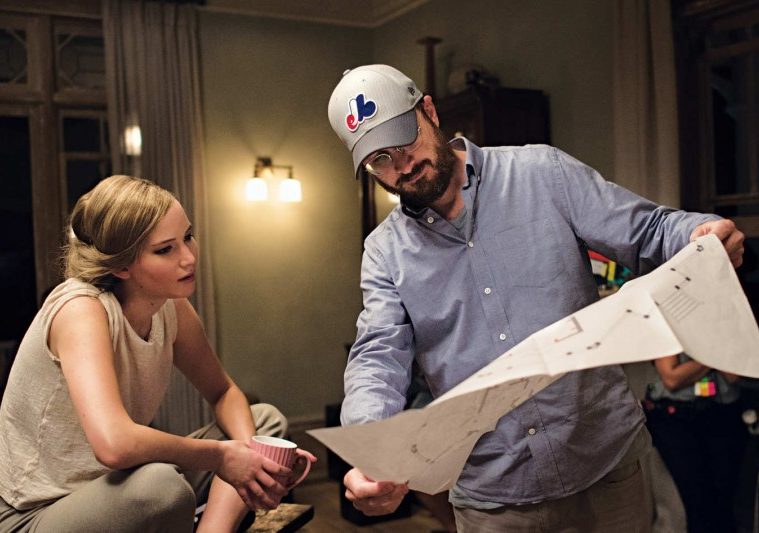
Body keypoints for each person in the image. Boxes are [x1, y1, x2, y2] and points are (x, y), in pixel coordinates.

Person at [326, 64, 745, 532]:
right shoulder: (384, 252)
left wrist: (698, 233)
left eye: (404, 141)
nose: (402, 166)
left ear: (429, 111)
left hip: (606, 468)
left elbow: (648, 230)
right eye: (380, 159)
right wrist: (369, 451)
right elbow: (378, 355)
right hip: (493, 498)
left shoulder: (542, 172)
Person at [0, 175, 316, 532]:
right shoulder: (80, 311)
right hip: (36, 513)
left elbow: (223, 392)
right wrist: (223, 456)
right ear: (122, 265)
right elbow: (114, 445)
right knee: (162, 487)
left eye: (188, 237)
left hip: (120, 484)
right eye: (165, 250)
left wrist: (249, 455)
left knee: (264, 422)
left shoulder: (170, 307)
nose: (189, 257)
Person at [644, 354, 748, 532]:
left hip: (724, 412)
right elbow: (672, 378)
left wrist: (697, 362)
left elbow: (734, 375)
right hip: (676, 417)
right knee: (697, 504)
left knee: (726, 502)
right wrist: (714, 355)